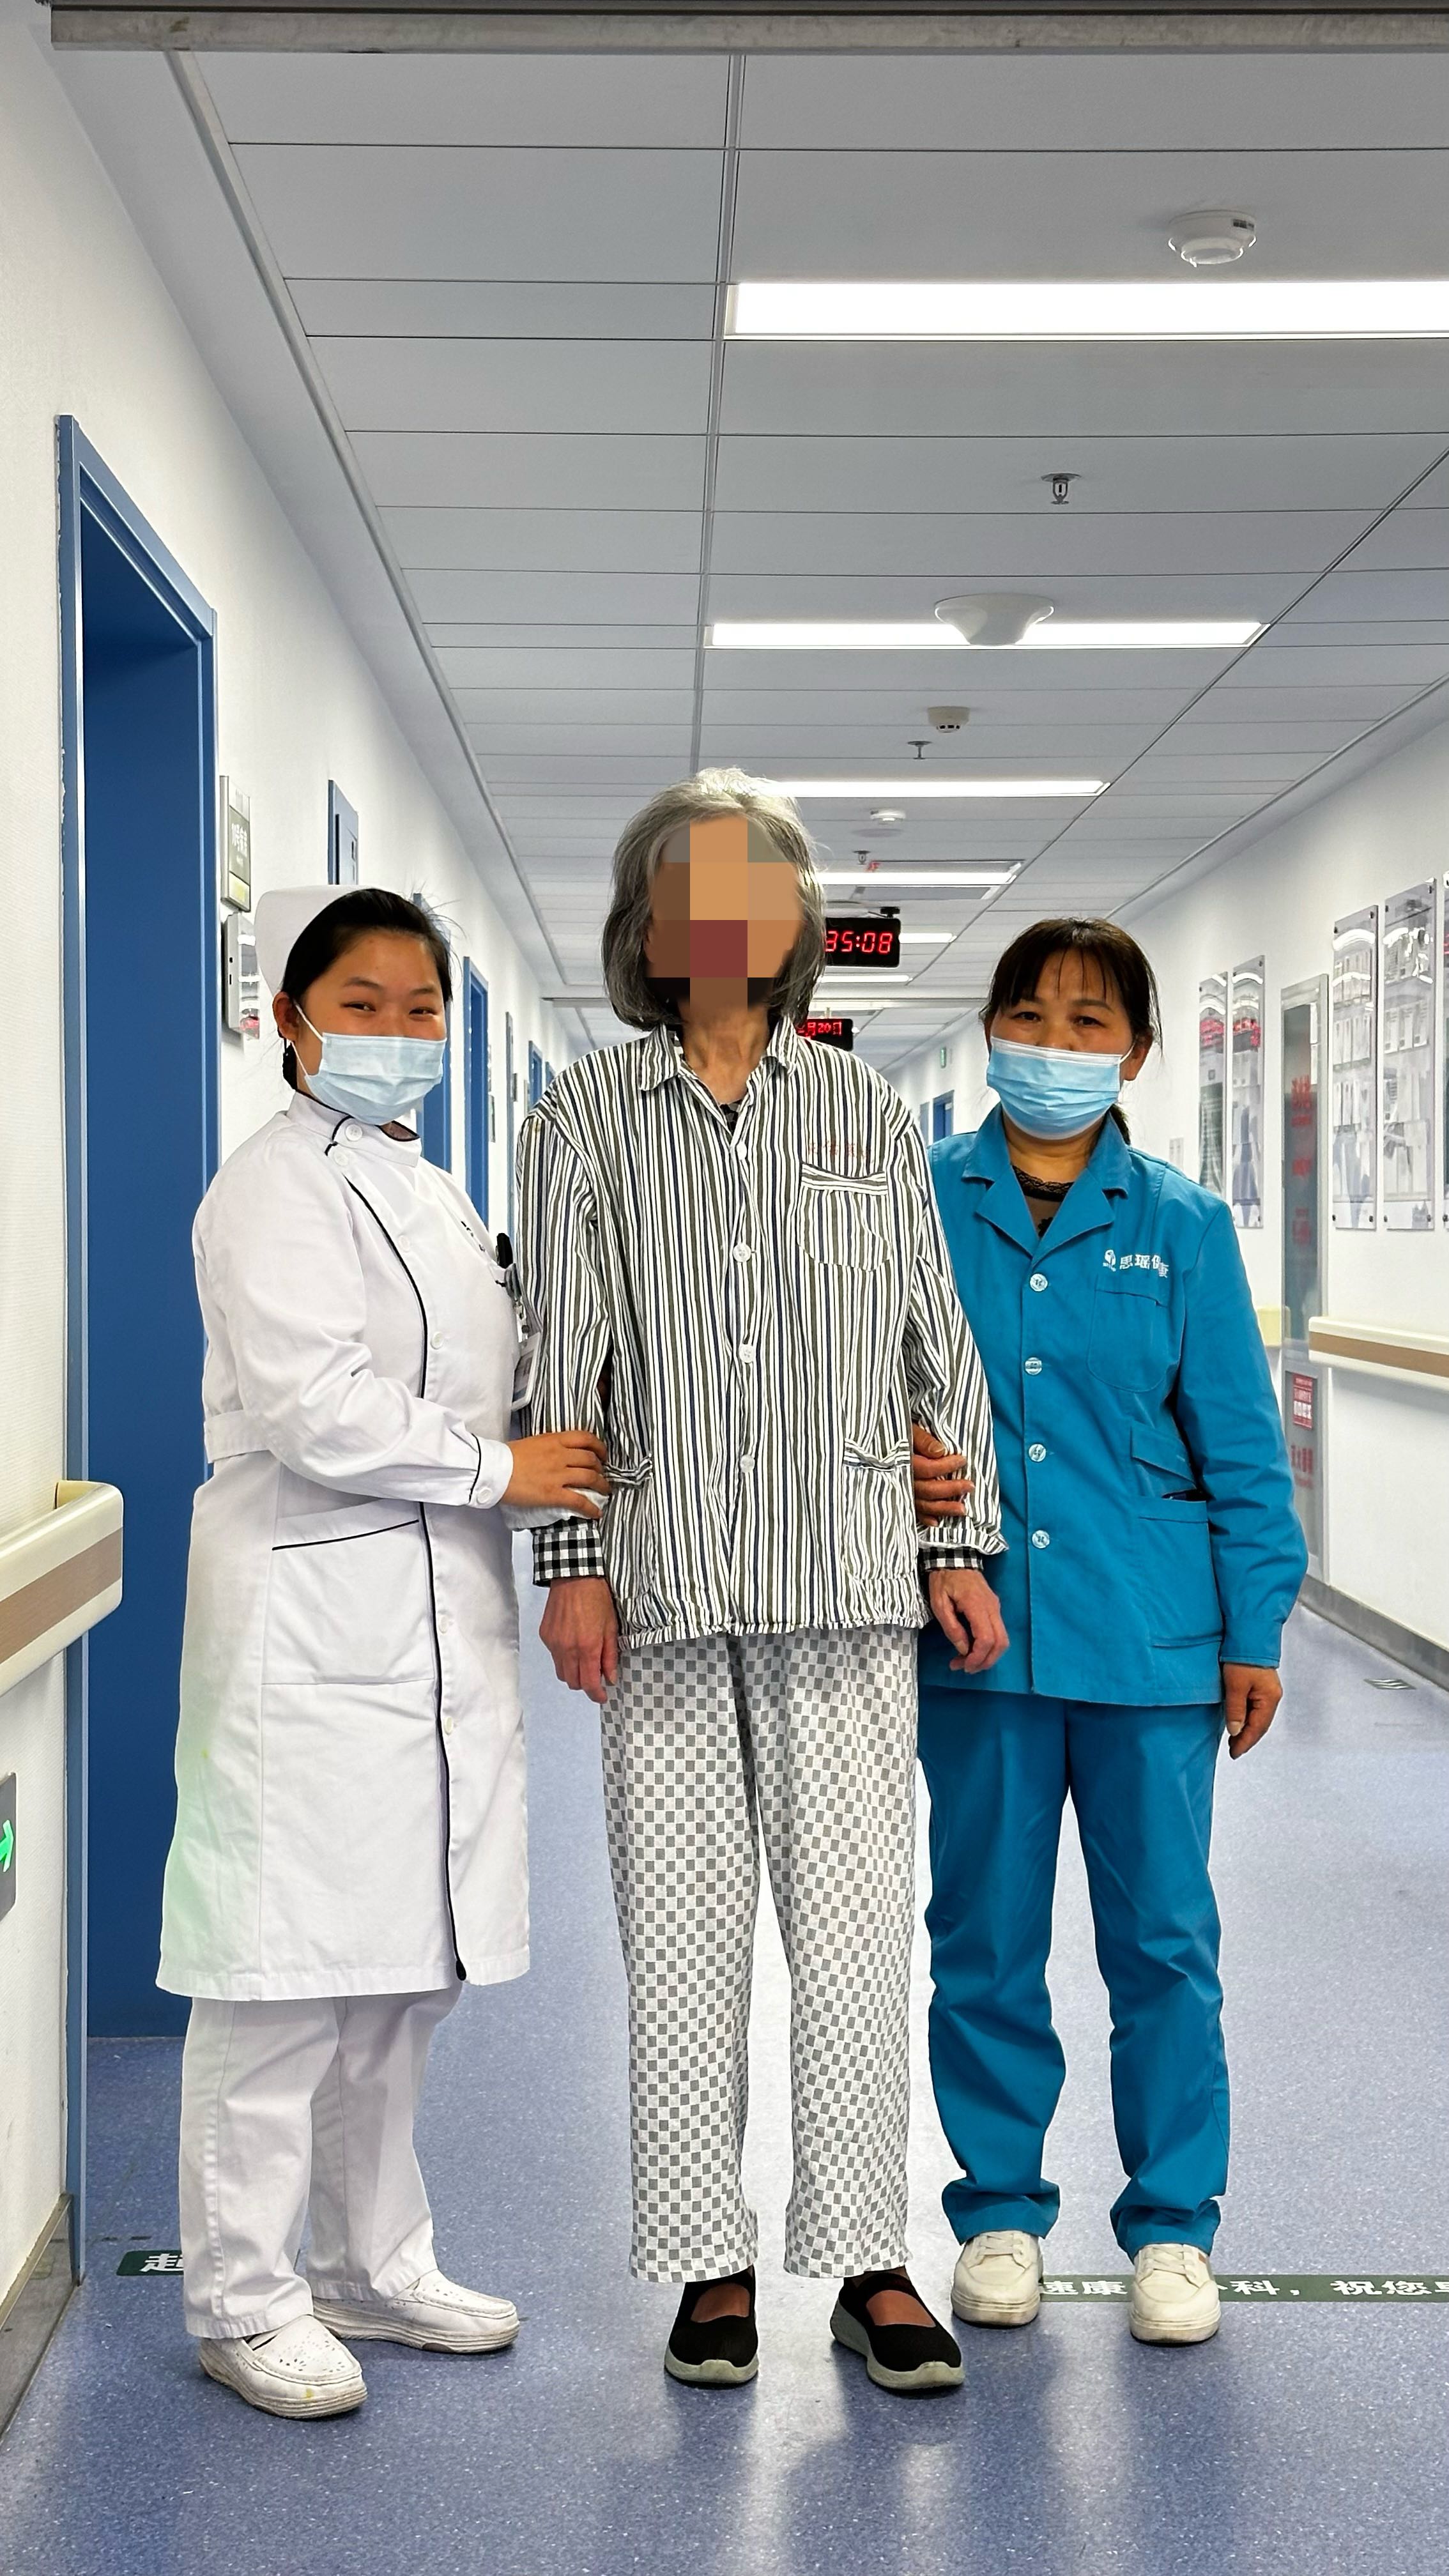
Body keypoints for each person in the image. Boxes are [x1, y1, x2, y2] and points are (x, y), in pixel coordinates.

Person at [515, 770, 1007, 2397]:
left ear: (795, 924)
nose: (724, 916)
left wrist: (959, 1543)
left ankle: (870, 2262)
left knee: (857, 1938)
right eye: (692, 887)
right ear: (646, 921)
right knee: (682, 1943)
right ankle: (707, 2260)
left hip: (849, 1581)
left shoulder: (864, 1114)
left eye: (755, 888)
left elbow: (938, 1347)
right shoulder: (584, 1115)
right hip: (661, 1587)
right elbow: (562, 1357)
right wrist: (573, 1567)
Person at [158, 884, 608, 2419]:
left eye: (423, 1008)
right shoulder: (271, 1189)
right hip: (304, 1626)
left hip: (430, 1627)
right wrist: (502, 1471)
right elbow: (315, 1408)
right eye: (363, 1003)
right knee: (281, 1979)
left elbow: (494, 1375)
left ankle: (369, 2264)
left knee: (401, 1976)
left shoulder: (430, 1191)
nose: (399, 1031)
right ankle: (243, 2298)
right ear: (292, 1019)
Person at [911, 918, 1308, 2347]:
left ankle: (1175, 2227)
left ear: (1135, 1054)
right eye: (1029, 1016)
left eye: (1089, 1024)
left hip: (1150, 1642)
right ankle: (1000, 2212)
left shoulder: (1181, 1226)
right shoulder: (917, 1200)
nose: (1055, 1046)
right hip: (977, 1640)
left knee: (1163, 1942)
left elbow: (1244, 1450)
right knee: (985, 1938)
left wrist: (1255, 1628)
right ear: (991, 1033)